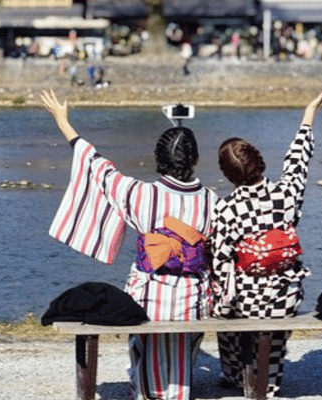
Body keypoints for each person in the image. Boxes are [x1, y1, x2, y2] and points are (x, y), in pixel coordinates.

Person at [41, 89, 217, 400]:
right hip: (194, 300)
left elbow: (96, 165)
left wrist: (63, 122)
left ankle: (152, 385)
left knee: (144, 327)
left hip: (150, 297)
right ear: (196, 160)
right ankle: (173, 383)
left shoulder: (138, 194)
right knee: (184, 327)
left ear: (157, 161)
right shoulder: (211, 201)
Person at [209, 90, 322, 397]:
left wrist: (221, 298)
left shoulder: (227, 208)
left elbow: (221, 262)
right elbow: (298, 160)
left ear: (228, 174)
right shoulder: (286, 194)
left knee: (227, 305)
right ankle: (268, 380)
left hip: (247, 297)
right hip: (285, 293)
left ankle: (238, 375)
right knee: (272, 331)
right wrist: (308, 114)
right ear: (259, 160)